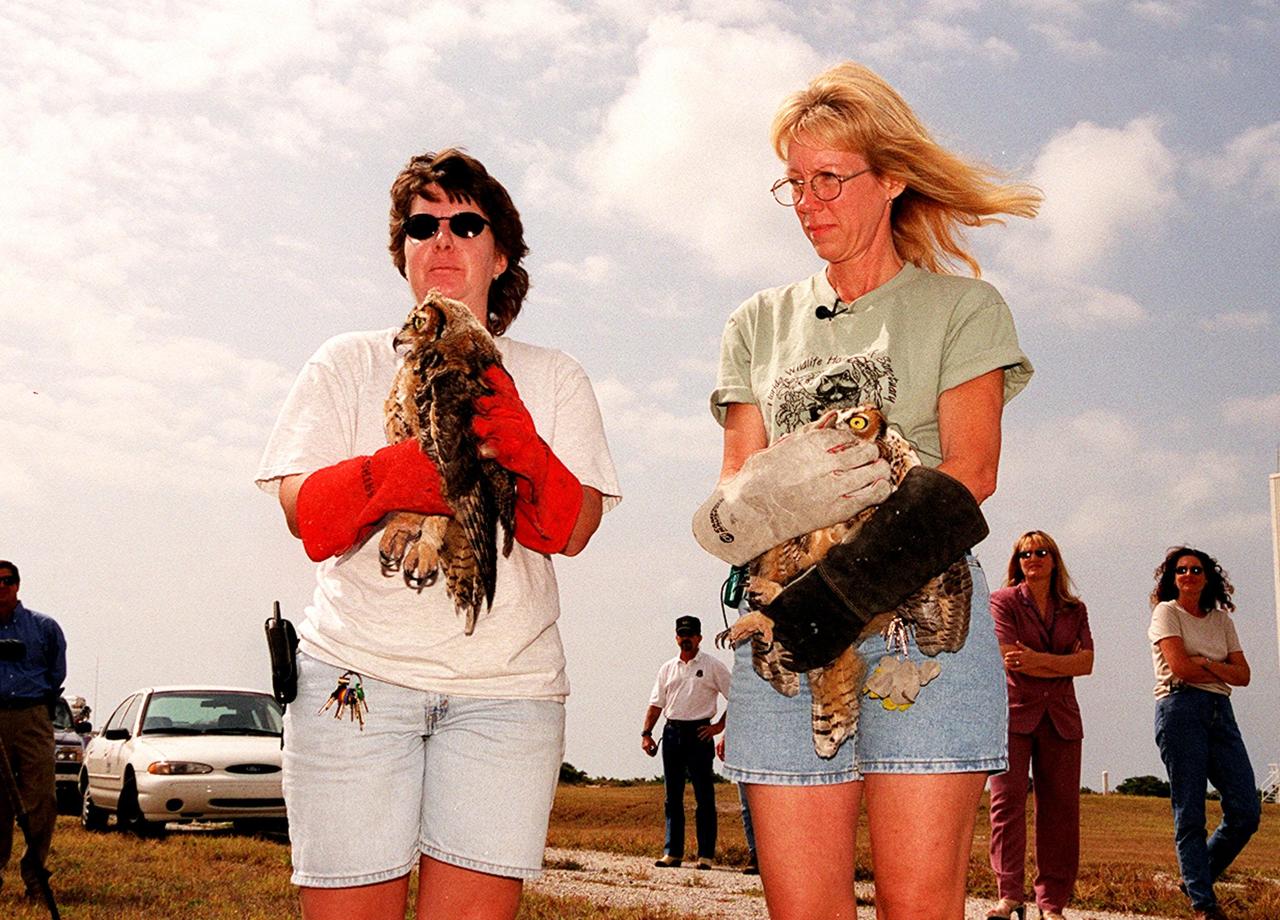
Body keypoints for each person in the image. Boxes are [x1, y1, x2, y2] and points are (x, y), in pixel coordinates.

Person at [692, 61, 1039, 920]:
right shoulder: (755, 323)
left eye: (830, 179)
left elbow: (971, 472)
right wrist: (763, 496)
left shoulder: (964, 309)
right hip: (785, 627)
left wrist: (843, 595)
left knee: (919, 907)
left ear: (889, 180)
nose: (809, 202)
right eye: (795, 183)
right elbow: (737, 492)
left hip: (920, 629)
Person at [256, 149, 620, 920]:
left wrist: (521, 448)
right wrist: (406, 472)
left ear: (501, 251)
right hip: (355, 677)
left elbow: (573, 526)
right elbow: (302, 513)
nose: (443, 239)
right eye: (422, 225)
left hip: (504, 693)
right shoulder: (348, 361)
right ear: (403, 252)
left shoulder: (552, 375)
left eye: (465, 222)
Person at [987, 532, 1094, 920]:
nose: (1033, 557)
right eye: (1025, 552)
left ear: (1054, 560)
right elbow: (1010, 658)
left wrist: (1040, 660)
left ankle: (1052, 903)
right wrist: (1060, 663)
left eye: (1041, 551)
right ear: (1017, 561)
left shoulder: (1074, 609)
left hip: (1061, 719)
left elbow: (1087, 664)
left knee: (1061, 812)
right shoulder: (1003, 602)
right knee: (1006, 804)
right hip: (1014, 714)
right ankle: (1009, 894)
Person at [1148, 547, 1259, 920]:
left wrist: (1207, 663)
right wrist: (1218, 668)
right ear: (1172, 577)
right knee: (1190, 809)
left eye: (1196, 569)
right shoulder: (1167, 612)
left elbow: (1243, 675)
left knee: (1246, 809)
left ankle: (1197, 875)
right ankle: (1203, 903)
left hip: (1219, 712)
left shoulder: (1221, 620)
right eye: (1182, 570)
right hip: (1180, 710)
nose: (1189, 575)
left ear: (1208, 576)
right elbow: (1179, 667)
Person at [641, 616, 731, 870]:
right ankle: (672, 852)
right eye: (682, 635)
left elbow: (735, 698)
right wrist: (646, 733)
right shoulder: (667, 668)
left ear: (699, 638)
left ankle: (705, 855)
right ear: (676, 637)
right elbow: (656, 703)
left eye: (690, 635)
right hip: (672, 734)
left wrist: (718, 727)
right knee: (673, 796)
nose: (686, 639)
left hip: (700, 733)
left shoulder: (713, 666)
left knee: (704, 796)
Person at [0, 560, 67, 900]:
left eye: (7, 581)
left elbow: (56, 672)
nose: (1, 587)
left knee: (42, 799)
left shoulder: (43, 627)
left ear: (17, 585)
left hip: (31, 716)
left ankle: (36, 876)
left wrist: (36, 701)